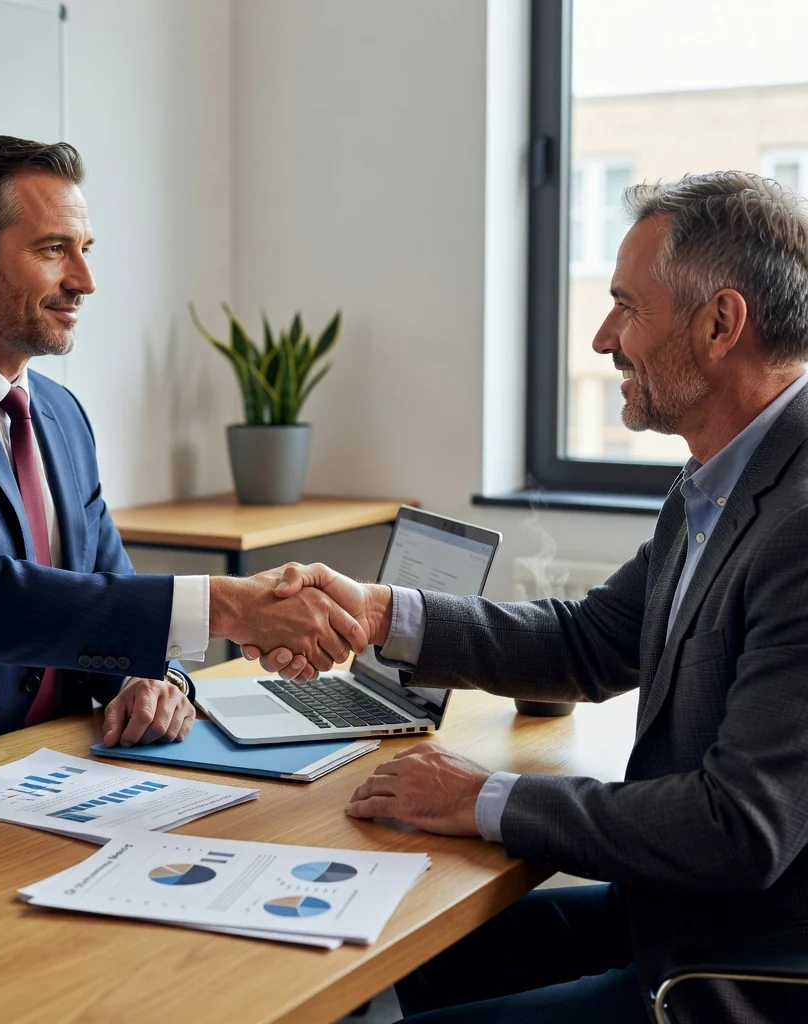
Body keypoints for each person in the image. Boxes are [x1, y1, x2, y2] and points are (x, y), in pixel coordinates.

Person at [251, 173, 808, 1023]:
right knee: (388, 956)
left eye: (627, 306)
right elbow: (588, 643)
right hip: (672, 915)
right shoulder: (717, 479)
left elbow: (737, 825)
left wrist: (482, 797)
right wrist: (376, 613)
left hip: (743, 972)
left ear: (721, 324)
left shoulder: (799, 524)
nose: (601, 337)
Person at [0, 135, 366, 788]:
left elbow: (100, 590)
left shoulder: (60, 415)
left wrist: (151, 677)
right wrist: (228, 604)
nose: (84, 282)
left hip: (45, 772)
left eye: (84, 251)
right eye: (52, 249)